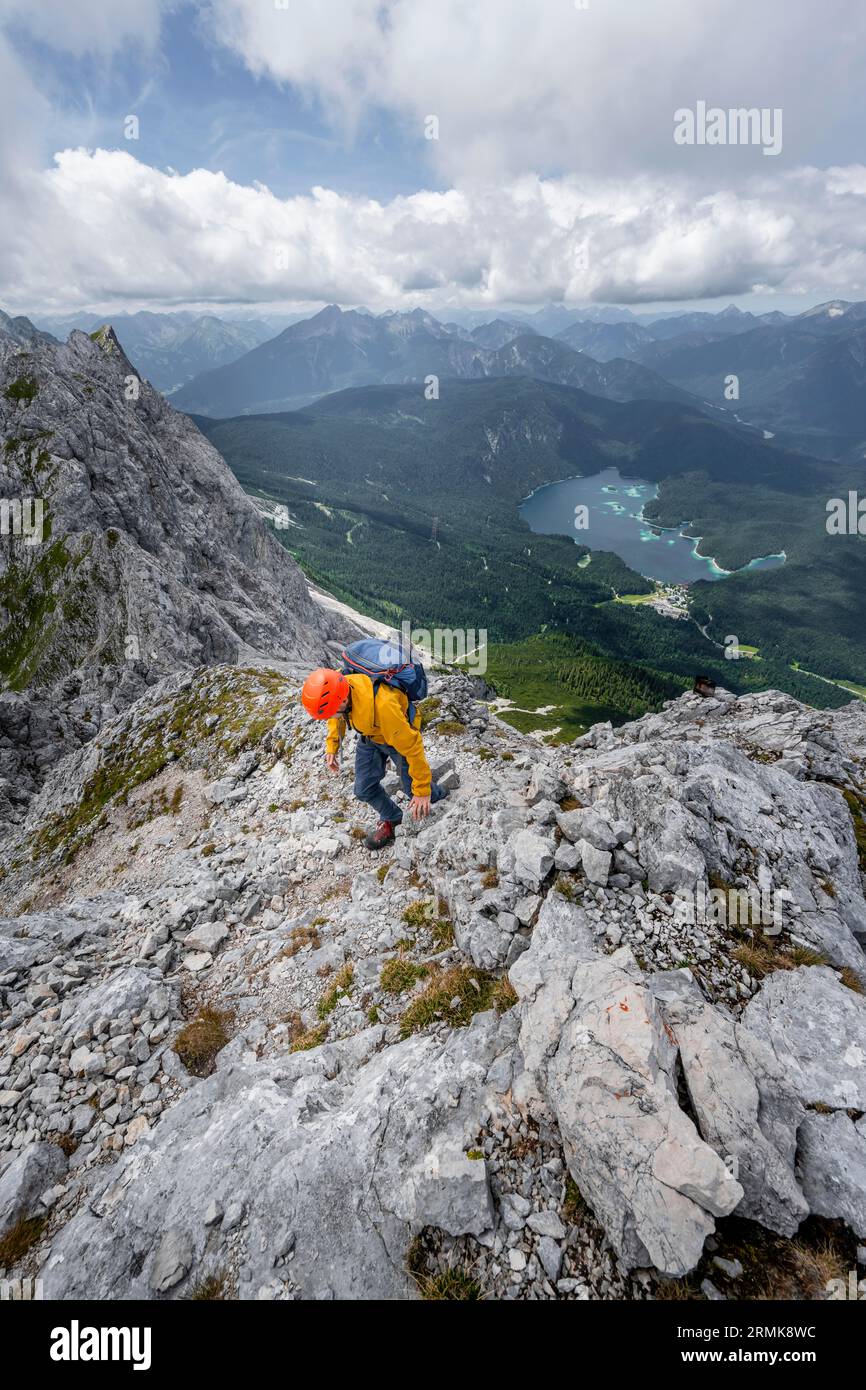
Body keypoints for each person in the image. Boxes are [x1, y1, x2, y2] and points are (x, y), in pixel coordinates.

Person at [300, 667, 452, 849]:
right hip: (370, 736)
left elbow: (413, 747)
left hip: (397, 737)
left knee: (413, 790)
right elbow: (337, 718)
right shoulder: (339, 683)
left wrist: (422, 791)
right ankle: (393, 818)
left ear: (344, 700)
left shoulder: (384, 706)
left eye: (330, 712)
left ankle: (437, 793)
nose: (328, 718)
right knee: (363, 789)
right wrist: (332, 746)